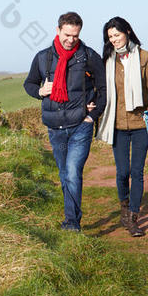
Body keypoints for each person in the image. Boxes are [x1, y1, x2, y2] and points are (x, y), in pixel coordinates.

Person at [23, 12, 106, 232]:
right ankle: (72, 215)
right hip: (55, 128)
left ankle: (71, 222)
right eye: (67, 34)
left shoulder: (88, 56)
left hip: (80, 126)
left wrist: (92, 115)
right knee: (64, 175)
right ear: (58, 30)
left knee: (72, 172)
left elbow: (104, 89)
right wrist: (41, 91)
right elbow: (29, 84)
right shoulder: (43, 58)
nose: (71, 40)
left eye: (75, 36)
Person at [95, 16, 148, 237]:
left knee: (137, 171)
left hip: (141, 123)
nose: (114, 40)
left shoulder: (146, 58)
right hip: (116, 124)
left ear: (128, 32)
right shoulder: (107, 60)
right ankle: (124, 208)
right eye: (110, 37)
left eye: (117, 34)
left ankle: (133, 217)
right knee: (123, 172)